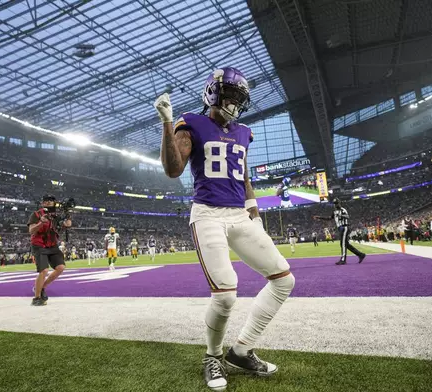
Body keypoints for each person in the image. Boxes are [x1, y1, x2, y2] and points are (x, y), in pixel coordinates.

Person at [155, 67, 295, 391]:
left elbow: (244, 177)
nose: (234, 102)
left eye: (238, 97)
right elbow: (173, 169)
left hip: (238, 215)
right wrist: (166, 121)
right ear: (213, 94)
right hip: (208, 215)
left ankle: (242, 351)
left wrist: (255, 215)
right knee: (226, 294)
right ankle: (213, 356)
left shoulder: (244, 132)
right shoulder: (192, 122)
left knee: (284, 280)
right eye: (229, 94)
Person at [27, 194, 71, 306]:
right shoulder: (36, 214)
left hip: (52, 244)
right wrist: (41, 222)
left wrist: (66, 224)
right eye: (46, 200)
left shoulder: (56, 215)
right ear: (42, 203)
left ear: (54, 203)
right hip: (39, 244)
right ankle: (36, 298)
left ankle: (41, 287)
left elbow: (65, 226)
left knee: (60, 267)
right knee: (44, 270)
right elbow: (31, 230)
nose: (48, 202)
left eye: (51, 200)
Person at [313, 198, 366, 265]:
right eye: (334, 204)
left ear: (339, 203)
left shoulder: (343, 210)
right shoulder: (334, 212)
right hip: (340, 229)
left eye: (336, 203)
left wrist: (341, 215)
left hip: (344, 227)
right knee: (346, 245)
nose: (336, 205)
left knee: (343, 244)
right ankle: (361, 255)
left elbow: (347, 216)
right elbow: (329, 218)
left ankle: (343, 260)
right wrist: (319, 217)